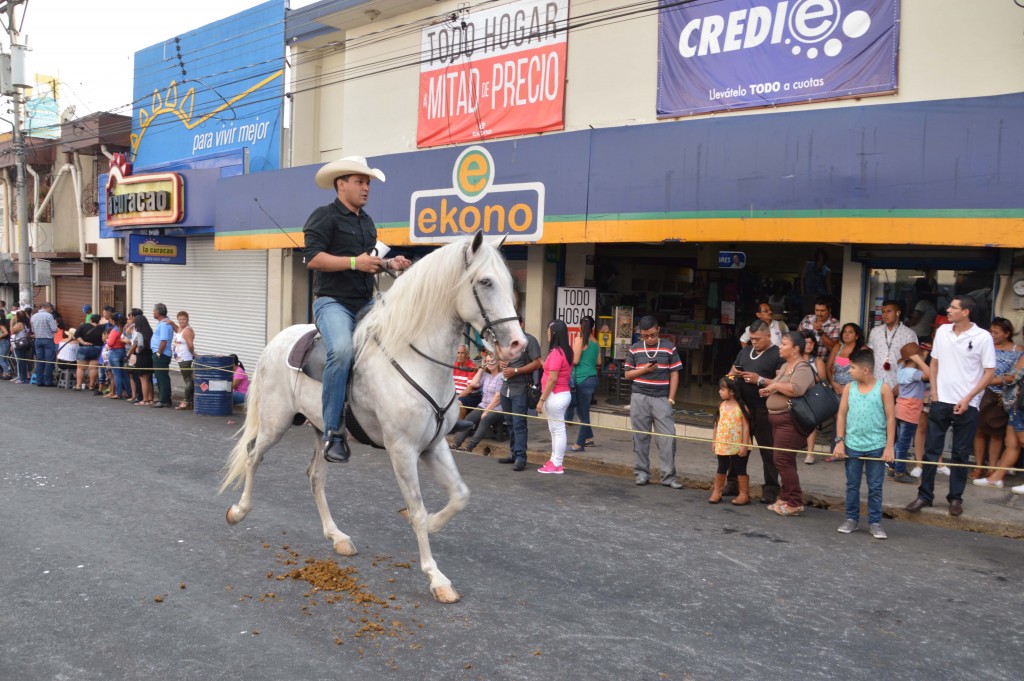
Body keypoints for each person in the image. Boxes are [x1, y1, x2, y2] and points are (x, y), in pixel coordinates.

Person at [303, 155, 412, 463]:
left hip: (365, 303)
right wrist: (354, 262)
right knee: (341, 350)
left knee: (405, 337)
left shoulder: (366, 222)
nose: (366, 188)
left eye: (368, 183)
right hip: (333, 303)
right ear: (341, 185)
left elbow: (368, 262)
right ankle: (333, 432)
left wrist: (389, 263)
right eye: (360, 182)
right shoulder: (323, 216)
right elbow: (311, 259)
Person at [906, 296, 995, 517]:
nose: (948, 310)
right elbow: (934, 363)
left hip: (968, 403)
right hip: (940, 400)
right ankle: (924, 495)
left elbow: (989, 372)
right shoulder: (943, 332)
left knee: (960, 454)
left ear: (966, 312)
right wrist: (934, 391)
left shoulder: (983, 337)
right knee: (931, 451)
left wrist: (968, 399)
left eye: (954, 307)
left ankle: (955, 498)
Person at [833, 349, 896, 539]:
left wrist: (889, 446)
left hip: (876, 445)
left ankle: (875, 522)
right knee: (852, 484)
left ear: (866, 370)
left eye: (852, 367)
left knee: (875, 486)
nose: (849, 371)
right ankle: (851, 518)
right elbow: (842, 415)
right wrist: (840, 442)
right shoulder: (849, 388)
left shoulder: (883, 388)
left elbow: (891, 418)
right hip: (852, 444)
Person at [758, 331, 816, 516]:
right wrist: (769, 389)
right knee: (785, 460)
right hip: (777, 420)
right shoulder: (785, 366)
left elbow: (796, 389)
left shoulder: (803, 368)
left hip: (790, 421)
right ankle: (784, 497)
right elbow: (777, 384)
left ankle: (795, 501)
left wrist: (774, 386)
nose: (780, 347)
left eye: (784, 344)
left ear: (795, 349)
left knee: (781, 460)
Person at [624, 315, 683, 488]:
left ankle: (668, 476)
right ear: (640, 334)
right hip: (639, 397)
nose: (649, 339)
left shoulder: (669, 348)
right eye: (645, 336)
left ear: (658, 330)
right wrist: (644, 370)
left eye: (652, 335)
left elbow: (674, 373)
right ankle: (641, 473)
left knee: (667, 437)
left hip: (661, 398)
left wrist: (671, 398)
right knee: (640, 437)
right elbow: (627, 374)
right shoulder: (634, 349)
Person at [732, 319, 784, 503]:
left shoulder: (778, 354)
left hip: (764, 409)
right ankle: (734, 484)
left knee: (767, 451)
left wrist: (759, 379)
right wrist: (733, 376)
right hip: (743, 407)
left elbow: (781, 383)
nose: (754, 342)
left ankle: (771, 489)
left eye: (758, 339)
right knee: (739, 448)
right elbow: (730, 372)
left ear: (768, 336)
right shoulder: (745, 352)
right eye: (752, 339)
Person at [969, 318, 1021, 482]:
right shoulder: (985, 346)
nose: (993, 335)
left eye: (997, 332)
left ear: (1007, 333)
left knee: (996, 433)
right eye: (991, 331)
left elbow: (1014, 376)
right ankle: (979, 466)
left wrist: (989, 380)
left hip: (1003, 396)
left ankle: (992, 468)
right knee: (979, 431)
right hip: (982, 393)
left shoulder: (1018, 350)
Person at [498, 317, 543, 471]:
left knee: (519, 424)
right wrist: (501, 363)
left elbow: (537, 363)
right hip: (505, 388)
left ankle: (521, 457)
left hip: (521, 387)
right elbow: (501, 359)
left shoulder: (529, 340)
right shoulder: (506, 340)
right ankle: (513, 453)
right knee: (509, 423)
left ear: (522, 324)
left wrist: (515, 371)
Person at [536, 320, 574, 475]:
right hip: (560, 394)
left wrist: (541, 400)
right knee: (555, 429)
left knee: (557, 430)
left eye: (548, 331)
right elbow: (551, 371)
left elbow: (552, 379)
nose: (546, 333)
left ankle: (557, 463)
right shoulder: (565, 351)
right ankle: (554, 461)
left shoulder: (557, 353)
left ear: (554, 333)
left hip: (556, 395)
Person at [709, 375, 751, 504]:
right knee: (722, 466)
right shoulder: (721, 406)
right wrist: (714, 441)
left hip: (737, 443)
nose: (719, 391)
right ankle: (717, 491)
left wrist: (744, 444)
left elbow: (746, 426)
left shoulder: (741, 407)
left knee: (740, 467)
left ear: (732, 391)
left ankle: (743, 494)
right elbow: (716, 424)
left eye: (723, 389)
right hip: (723, 442)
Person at [453, 351, 505, 453]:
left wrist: (486, 411)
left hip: (497, 408)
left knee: (485, 420)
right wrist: (481, 369)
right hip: (483, 405)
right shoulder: (486, 375)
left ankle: (470, 447)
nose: (490, 363)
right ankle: (456, 443)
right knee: (469, 418)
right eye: (488, 361)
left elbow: (498, 396)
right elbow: (473, 384)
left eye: (492, 361)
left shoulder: (501, 376)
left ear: (498, 362)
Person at [893, 342, 930, 484]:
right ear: (915, 357)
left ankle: (893, 467)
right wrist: (920, 360)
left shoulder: (903, 369)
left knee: (900, 441)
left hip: (902, 408)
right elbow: (929, 374)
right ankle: (899, 472)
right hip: (910, 411)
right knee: (904, 443)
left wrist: (919, 358)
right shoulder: (913, 373)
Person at [566, 315, 601, 451]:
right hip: (592, 378)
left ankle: (580, 444)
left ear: (580, 327)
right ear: (592, 328)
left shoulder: (579, 339)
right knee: (583, 410)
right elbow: (599, 362)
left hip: (581, 379)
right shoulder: (595, 342)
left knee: (582, 413)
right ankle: (589, 438)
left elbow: (575, 360)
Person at [868, 300, 917, 390]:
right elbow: (870, 355)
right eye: (883, 312)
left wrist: (901, 385)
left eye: (889, 311)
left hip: (897, 384)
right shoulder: (875, 331)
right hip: (876, 383)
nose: (885, 315)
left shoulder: (908, 334)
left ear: (898, 313)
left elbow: (913, 361)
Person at [799, 330, 829, 465]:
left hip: (811, 395)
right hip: (795, 394)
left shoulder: (817, 360)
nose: (809, 345)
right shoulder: (794, 359)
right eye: (806, 342)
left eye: (812, 342)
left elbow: (822, 379)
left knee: (811, 424)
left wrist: (806, 377)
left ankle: (810, 453)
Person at [149, 304, 175, 408]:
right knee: (161, 377)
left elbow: (163, 341)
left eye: (154, 311)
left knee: (161, 377)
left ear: (158, 313)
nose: (153, 313)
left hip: (161, 354)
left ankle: (164, 400)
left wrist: (159, 353)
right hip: (161, 353)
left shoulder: (164, 324)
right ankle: (164, 398)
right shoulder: (163, 323)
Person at [798, 296, 839, 360]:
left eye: (822, 311)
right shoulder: (807, 319)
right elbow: (797, 338)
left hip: (823, 362)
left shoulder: (835, 324)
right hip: (804, 360)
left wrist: (821, 332)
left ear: (829, 310)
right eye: (817, 310)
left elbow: (834, 349)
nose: (819, 313)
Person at [30, 302, 58, 387]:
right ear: (48, 308)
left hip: (38, 340)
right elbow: (54, 329)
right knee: (49, 360)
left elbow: (33, 330)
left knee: (39, 360)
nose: (51, 311)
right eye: (51, 309)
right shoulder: (49, 316)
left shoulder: (33, 316)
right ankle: (48, 381)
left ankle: (39, 381)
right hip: (48, 340)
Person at [130, 310, 155, 407]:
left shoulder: (139, 333)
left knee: (143, 379)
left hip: (142, 357)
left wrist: (137, 350)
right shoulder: (149, 331)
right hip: (149, 356)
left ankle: (144, 400)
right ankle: (150, 399)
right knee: (148, 379)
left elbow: (140, 345)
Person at [74, 314, 104, 391]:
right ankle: (91, 386)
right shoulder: (102, 328)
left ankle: (78, 385)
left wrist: (83, 342)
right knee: (93, 368)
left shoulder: (83, 326)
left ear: (90, 320)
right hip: (97, 348)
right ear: (99, 320)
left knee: (80, 368)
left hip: (84, 348)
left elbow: (76, 335)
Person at [173, 310, 196, 410]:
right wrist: (170, 322)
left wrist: (192, 353)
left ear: (188, 320)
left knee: (187, 380)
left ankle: (186, 401)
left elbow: (190, 345)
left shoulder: (187, 331)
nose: (182, 321)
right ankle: (190, 400)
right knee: (188, 379)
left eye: (184, 319)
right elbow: (176, 328)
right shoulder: (180, 329)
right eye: (180, 319)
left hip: (185, 358)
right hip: (180, 358)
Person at [105, 313, 129, 400]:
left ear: (113, 321)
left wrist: (107, 341)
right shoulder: (125, 329)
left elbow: (110, 343)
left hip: (114, 352)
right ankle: (129, 392)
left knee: (117, 374)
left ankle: (118, 393)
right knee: (124, 373)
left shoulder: (114, 330)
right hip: (123, 351)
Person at [452, 345, 479, 419]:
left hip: (471, 396)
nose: (459, 355)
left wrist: (456, 398)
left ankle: (460, 426)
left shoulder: (472, 367)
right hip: (456, 394)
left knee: (458, 403)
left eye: (462, 353)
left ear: (468, 355)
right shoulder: (454, 365)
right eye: (458, 353)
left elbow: (469, 389)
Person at [800, 249, 832, 313]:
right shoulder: (808, 265)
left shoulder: (827, 270)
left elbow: (828, 286)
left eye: (822, 256)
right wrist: (803, 293)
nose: (820, 258)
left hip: (820, 295)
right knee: (808, 312)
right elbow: (802, 279)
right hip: (808, 294)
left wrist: (830, 297)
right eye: (819, 256)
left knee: (819, 311)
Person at [10, 310, 32, 384]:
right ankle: (21, 376)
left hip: (19, 344)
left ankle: (22, 378)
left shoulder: (19, 324)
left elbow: (12, 332)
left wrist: (11, 324)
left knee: (20, 361)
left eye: (15, 315)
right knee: (22, 361)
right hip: (24, 343)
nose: (14, 317)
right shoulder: (25, 324)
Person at [0, 315, 11, 379]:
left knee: (1, 359)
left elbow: (6, 333)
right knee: (4, 359)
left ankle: (6, 373)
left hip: (3, 342)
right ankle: (7, 373)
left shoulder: (1, 325)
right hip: (4, 342)